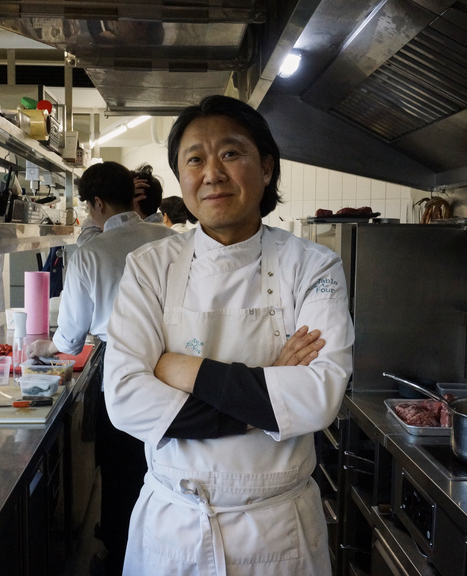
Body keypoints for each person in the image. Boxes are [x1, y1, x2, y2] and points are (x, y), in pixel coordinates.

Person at [104, 94, 354, 575]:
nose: (212, 173)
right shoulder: (150, 268)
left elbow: (318, 398)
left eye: (231, 154)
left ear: (266, 167)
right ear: (182, 177)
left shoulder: (314, 266)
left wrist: (180, 367)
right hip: (173, 530)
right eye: (195, 159)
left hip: (279, 534)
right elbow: (125, 399)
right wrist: (265, 394)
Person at [25, 161, 175, 576]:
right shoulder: (172, 239)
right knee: (162, 460)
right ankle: (161, 546)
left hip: (123, 366)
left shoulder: (90, 253)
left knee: (120, 463)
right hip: (176, 366)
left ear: (97, 202)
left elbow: (70, 340)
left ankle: (117, 552)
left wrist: (42, 345)